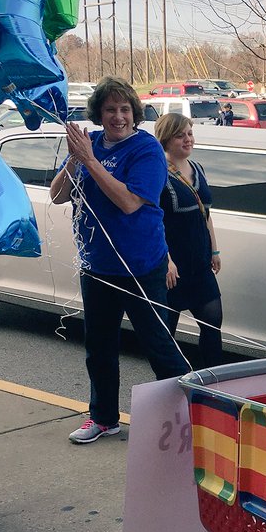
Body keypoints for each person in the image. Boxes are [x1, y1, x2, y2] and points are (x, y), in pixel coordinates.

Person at [50, 76, 187, 444]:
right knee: (99, 348)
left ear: (134, 113)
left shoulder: (146, 150)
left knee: (158, 345)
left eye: (124, 109)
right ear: (99, 113)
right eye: (110, 109)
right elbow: (58, 195)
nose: (118, 116)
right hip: (97, 267)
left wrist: (91, 161)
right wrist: (74, 161)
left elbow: (128, 202)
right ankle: (103, 417)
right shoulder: (90, 143)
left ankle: (190, 418)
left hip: (141, 265)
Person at [155, 113, 224, 368]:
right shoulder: (158, 173)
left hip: (200, 263)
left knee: (212, 323)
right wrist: (167, 261)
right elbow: (153, 220)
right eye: (180, 135)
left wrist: (214, 250)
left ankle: (211, 383)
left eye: (190, 134)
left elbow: (206, 213)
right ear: (166, 138)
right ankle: (169, 384)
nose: (188, 140)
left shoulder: (197, 169)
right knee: (165, 334)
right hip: (173, 268)